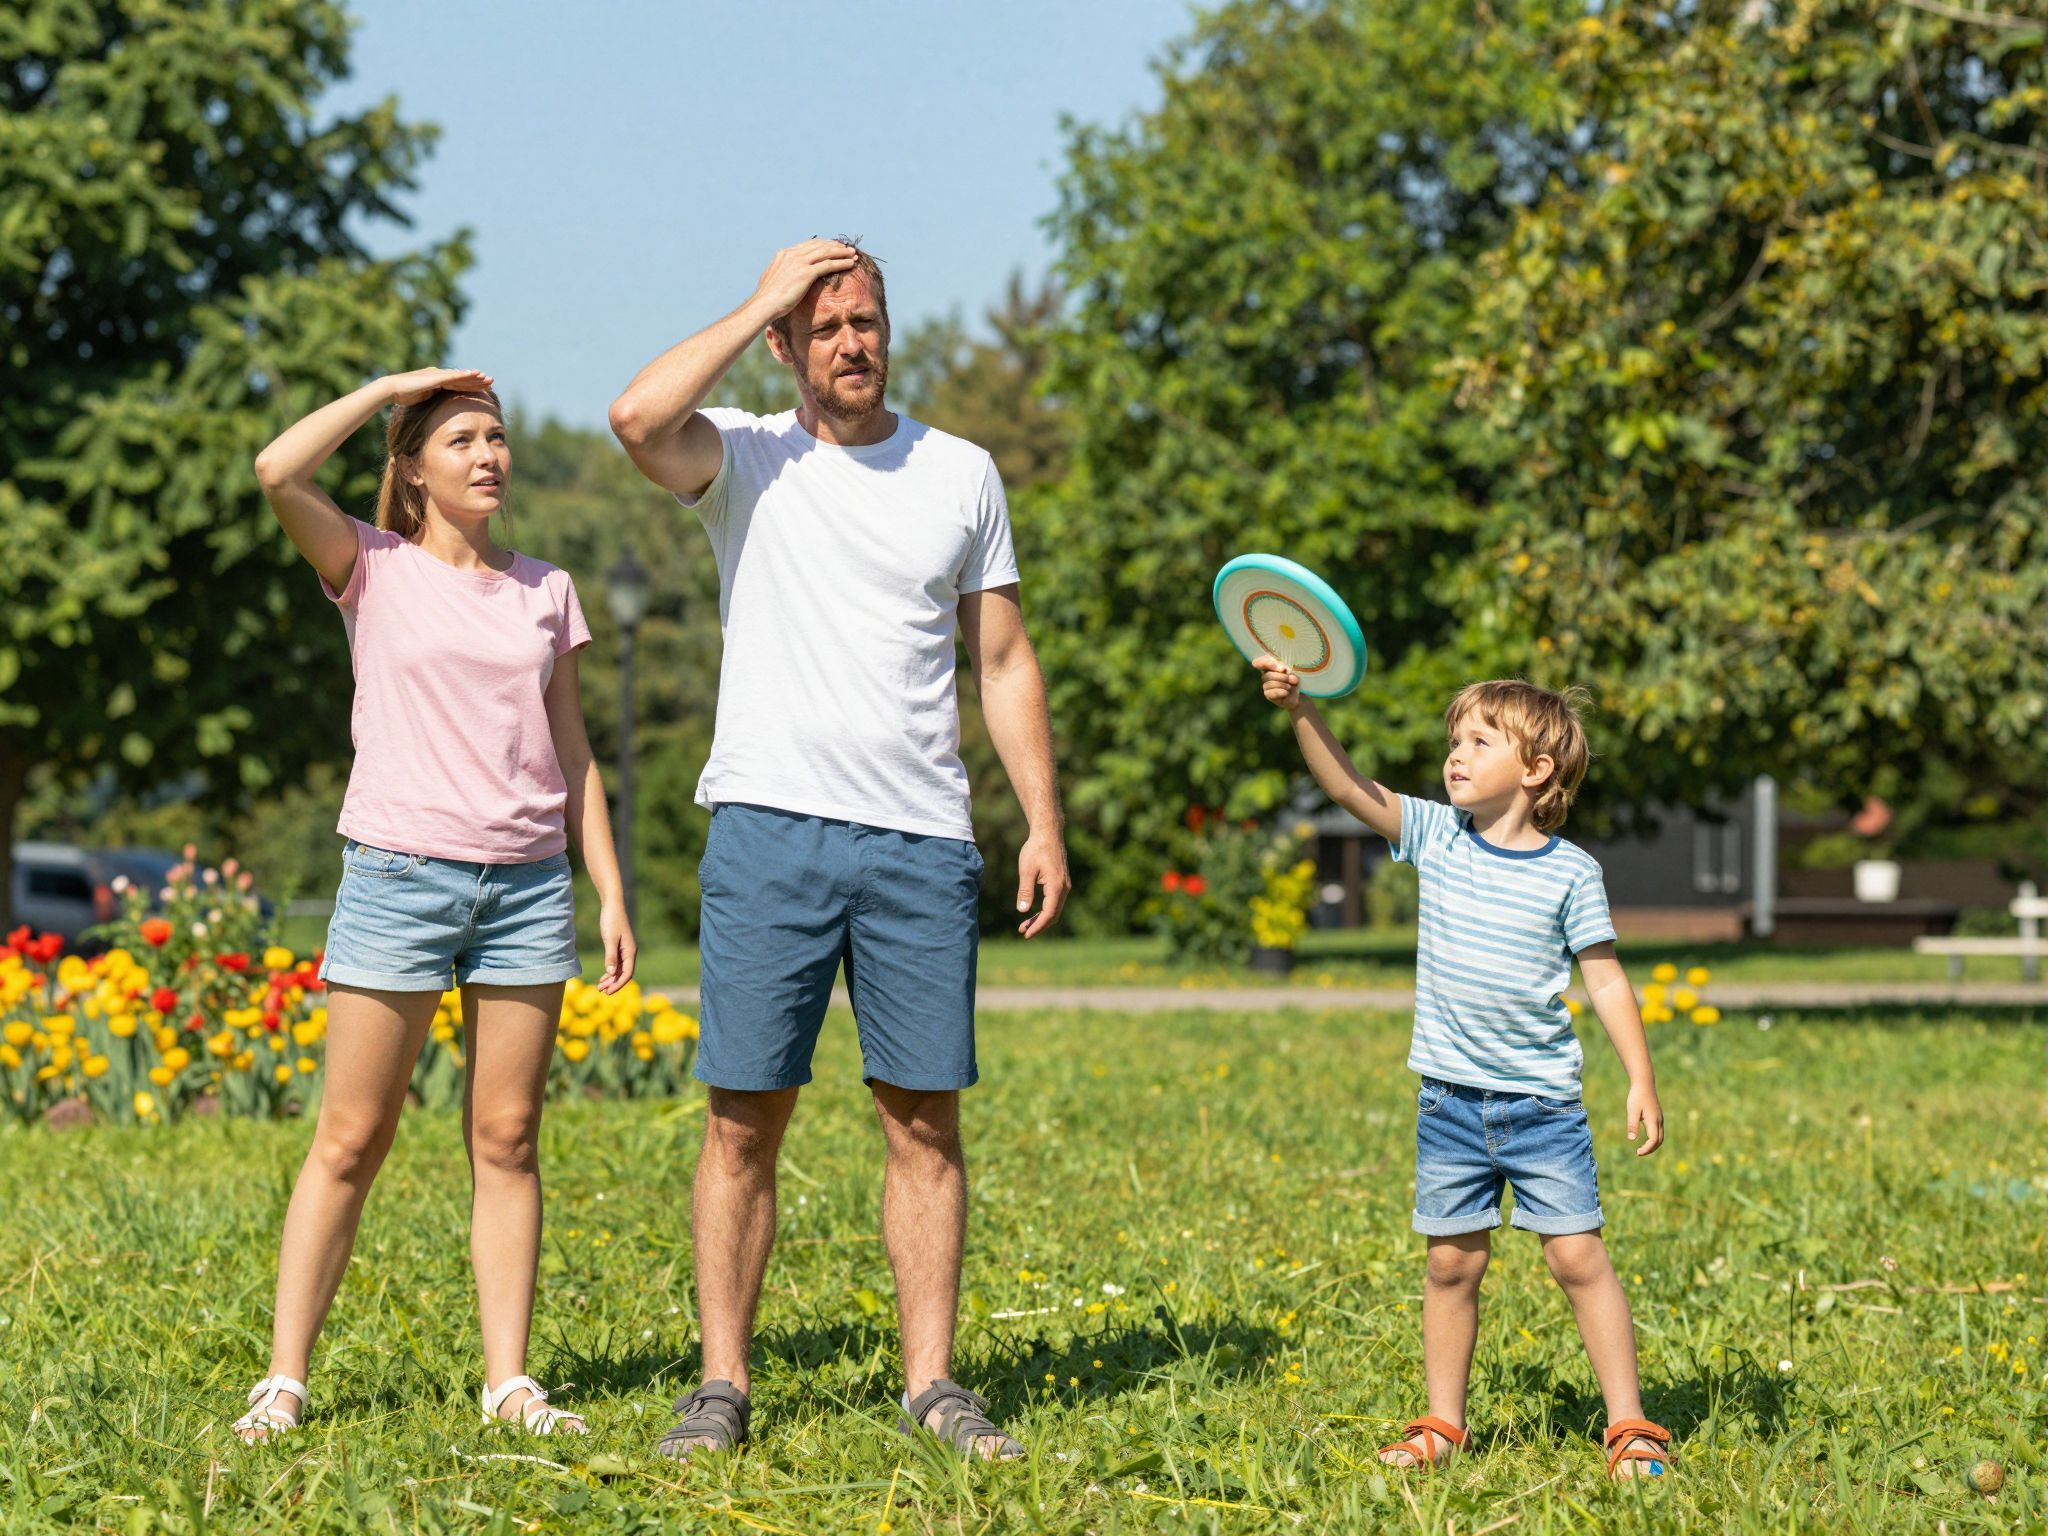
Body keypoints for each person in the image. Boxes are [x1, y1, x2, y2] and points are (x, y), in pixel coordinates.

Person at [609, 239, 1069, 1461]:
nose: (850, 343)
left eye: (864, 321)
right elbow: (634, 416)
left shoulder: (960, 472)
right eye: (821, 328)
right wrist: (763, 292)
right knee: (741, 1120)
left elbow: (1004, 659)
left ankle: (931, 1387)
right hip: (768, 825)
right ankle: (721, 1386)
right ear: (783, 345)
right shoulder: (745, 460)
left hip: (920, 838)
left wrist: (1041, 818)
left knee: (924, 1121)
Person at [235, 368, 636, 1441]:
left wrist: (605, 885)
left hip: (525, 890)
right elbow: (276, 468)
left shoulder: (545, 588)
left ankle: (510, 1382)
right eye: (461, 438)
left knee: (506, 1138)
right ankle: (283, 1378)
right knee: (350, 1139)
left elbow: (574, 748)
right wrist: (388, 389)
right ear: (411, 469)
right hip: (399, 878)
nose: (488, 454)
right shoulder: (369, 566)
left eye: (496, 437)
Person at [1254, 662, 1671, 1479]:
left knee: (1576, 1258)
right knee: (1451, 1262)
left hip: (1543, 1108)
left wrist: (1641, 1078)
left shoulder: (1571, 872)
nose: (1455, 755)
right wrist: (1301, 709)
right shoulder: (1435, 835)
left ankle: (1630, 1426)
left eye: (1479, 741)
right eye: (1453, 740)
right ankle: (1444, 1424)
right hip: (1449, 1105)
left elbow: (1607, 977)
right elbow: (1346, 788)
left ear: (1536, 770)